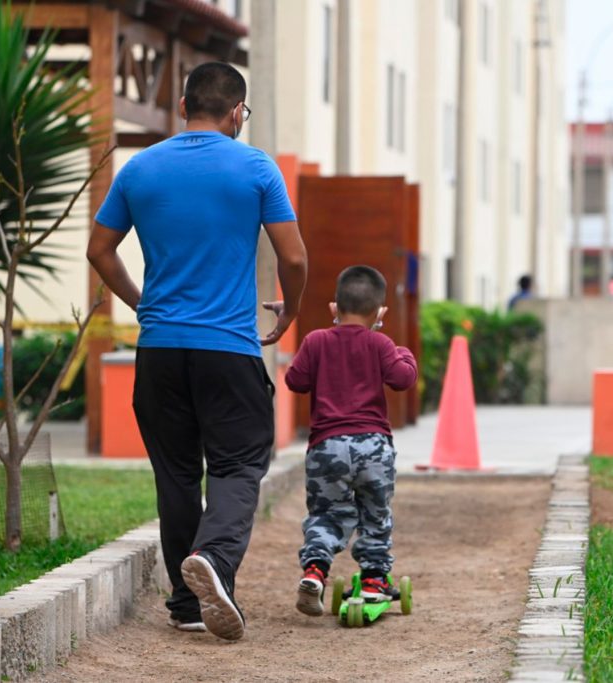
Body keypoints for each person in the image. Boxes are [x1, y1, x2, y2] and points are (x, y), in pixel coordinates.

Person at [86, 61, 307, 641]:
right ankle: (213, 557)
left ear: (183, 107)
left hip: (159, 350)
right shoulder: (255, 167)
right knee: (239, 464)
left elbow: (100, 250)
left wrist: (142, 304)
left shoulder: (140, 168)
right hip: (228, 350)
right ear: (237, 112)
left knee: (177, 475)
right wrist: (291, 308)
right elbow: (294, 257)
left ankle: (187, 604)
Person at [284, 265, 418, 616]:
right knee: (375, 514)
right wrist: (404, 354)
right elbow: (402, 379)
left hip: (326, 447)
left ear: (334, 307)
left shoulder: (316, 341)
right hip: (373, 447)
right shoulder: (381, 343)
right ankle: (374, 579)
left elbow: (296, 381)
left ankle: (315, 570)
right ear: (380, 313)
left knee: (326, 515)